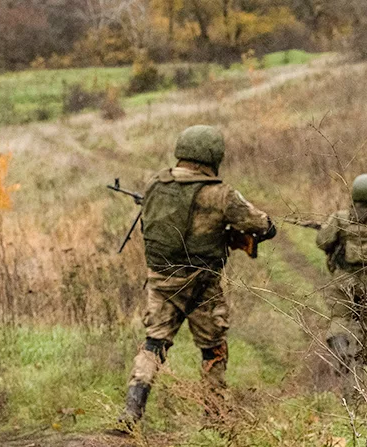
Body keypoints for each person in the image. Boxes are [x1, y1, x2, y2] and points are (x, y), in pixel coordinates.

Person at [117, 125, 275, 429]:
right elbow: (264, 226)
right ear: (213, 155)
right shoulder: (222, 194)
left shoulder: (155, 184)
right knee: (212, 347)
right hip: (203, 284)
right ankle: (214, 416)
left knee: (154, 343)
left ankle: (132, 411)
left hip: (162, 280)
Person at [315, 173, 367, 380]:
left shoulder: (340, 218)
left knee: (340, 318)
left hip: (343, 278)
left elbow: (322, 241)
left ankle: (341, 353)